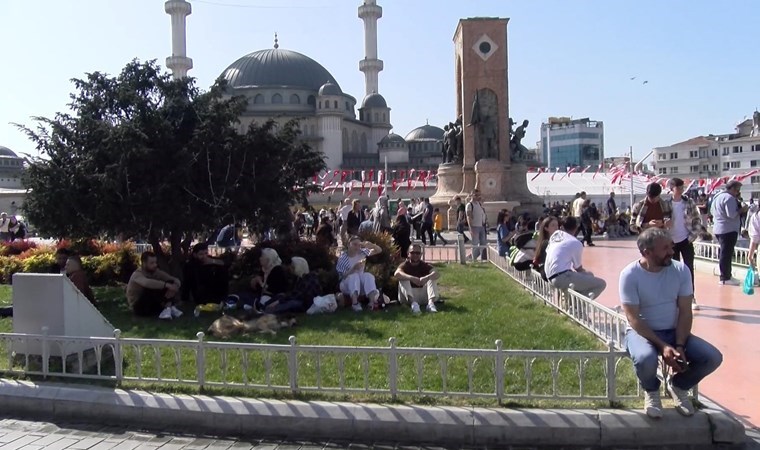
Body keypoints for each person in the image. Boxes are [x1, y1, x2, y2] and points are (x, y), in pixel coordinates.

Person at [620, 228, 723, 419]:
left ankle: (678, 385)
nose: (671, 252)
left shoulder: (681, 271)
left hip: (674, 331)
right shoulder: (629, 275)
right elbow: (633, 318)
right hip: (642, 332)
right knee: (645, 359)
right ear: (646, 253)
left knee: (712, 358)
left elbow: (685, 312)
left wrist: (680, 345)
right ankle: (651, 391)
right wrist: (663, 346)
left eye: (671, 246)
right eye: (665, 248)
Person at [544, 217, 607, 299]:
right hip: (561, 277)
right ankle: (577, 306)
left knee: (588, 276)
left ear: (562, 227)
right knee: (601, 284)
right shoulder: (575, 242)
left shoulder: (556, 236)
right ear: (577, 227)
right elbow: (578, 268)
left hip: (548, 276)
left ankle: (570, 300)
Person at [667, 178, 703, 310]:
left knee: (688, 269)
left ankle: (691, 296)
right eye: (679, 187)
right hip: (670, 241)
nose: (681, 190)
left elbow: (696, 219)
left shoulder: (688, 202)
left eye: (683, 187)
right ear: (672, 189)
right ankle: (675, 297)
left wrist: (692, 236)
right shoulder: (665, 203)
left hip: (686, 240)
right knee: (673, 270)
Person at [126, 252, 183, 319]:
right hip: (139, 306)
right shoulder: (137, 274)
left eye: (155, 262)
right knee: (152, 286)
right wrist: (167, 285)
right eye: (152, 263)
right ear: (144, 264)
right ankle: (168, 308)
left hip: (151, 304)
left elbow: (173, 279)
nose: (155, 265)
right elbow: (147, 283)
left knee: (170, 282)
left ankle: (168, 308)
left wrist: (175, 286)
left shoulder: (155, 272)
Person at [711, 181, 747, 285]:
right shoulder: (729, 198)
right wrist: (742, 209)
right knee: (726, 253)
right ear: (732, 189)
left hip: (719, 228)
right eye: (737, 190)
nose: (738, 192)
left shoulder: (717, 197)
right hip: (728, 229)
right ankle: (725, 277)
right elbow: (732, 214)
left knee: (725, 253)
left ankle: (726, 275)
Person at [336, 236, 382, 312]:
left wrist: (372, 245)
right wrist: (353, 268)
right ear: (348, 245)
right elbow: (342, 276)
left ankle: (371, 302)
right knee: (354, 276)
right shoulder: (343, 257)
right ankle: (355, 303)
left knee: (368, 276)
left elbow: (379, 250)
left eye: (359, 245)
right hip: (346, 284)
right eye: (354, 244)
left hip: (359, 283)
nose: (357, 247)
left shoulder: (362, 252)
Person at [394, 243, 440, 314]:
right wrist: (411, 278)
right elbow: (397, 274)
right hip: (408, 297)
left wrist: (426, 277)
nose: (415, 255)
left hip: (423, 296)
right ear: (408, 254)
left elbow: (436, 273)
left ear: (421, 255)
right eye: (412, 253)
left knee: (432, 278)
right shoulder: (404, 265)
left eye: (417, 253)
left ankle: (430, 304)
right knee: (403, 279)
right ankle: (414, 305)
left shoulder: (425, 265)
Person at [466, 190, 487, 261]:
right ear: (471, 195)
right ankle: (473, 259)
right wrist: (470, 228)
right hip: (474, 226)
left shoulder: (479, 204)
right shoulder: (470, 205)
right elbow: (469, 217)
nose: (478, 196)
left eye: (479, 195)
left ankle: (483, 258)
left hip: (481, 226)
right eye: (476, 195)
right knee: (475, 244)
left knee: (483, 243)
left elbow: (482, 214)